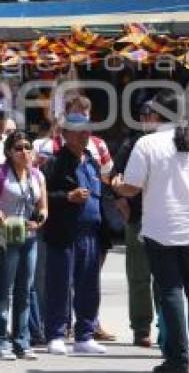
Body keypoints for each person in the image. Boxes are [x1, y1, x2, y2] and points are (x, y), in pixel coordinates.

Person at [116, 89, 189, 373]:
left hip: (160, 231)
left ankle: (178, 360)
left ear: (159, 114)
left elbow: (131, 188)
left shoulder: (147, 144)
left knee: (171, 293)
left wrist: (115, 184)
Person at [42, 112, 108, 356]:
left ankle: (85, 335)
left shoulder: (92, 161)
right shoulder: (55, 163)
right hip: (65, 234)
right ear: (66, 135)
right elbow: (42, 197)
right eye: (79, 131)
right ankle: (56, 334)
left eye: (87, 131)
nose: (85, 135)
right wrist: (67, 197)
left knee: (89, 287)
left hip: (91, 234)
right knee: (59, 285)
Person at [0, 131, 47, 360]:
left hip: (29, 237)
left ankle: (22, 341)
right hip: (6, 237)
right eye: (18, 148)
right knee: (3, 291)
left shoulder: (37, 176)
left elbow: (43, 207)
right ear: (9, 152)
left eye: (27, 147)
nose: (24, 152)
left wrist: (39, 219)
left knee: (25, 290)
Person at [112, 102, 154, 347]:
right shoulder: (132, 144)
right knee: (139, 277)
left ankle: (168, 326)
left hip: (166, 219)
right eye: (145, 114)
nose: (148, 118)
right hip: (138, 218)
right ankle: (141, 327)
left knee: (166, 279)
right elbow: (113, 176)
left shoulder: (175, 142)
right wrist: (121, 200)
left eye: (152, 114)